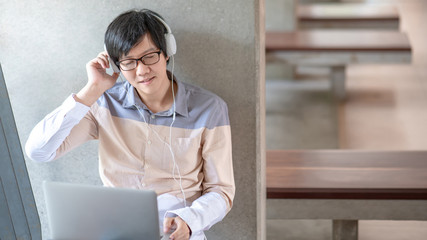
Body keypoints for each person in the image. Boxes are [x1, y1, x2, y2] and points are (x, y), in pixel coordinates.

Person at [25, 9, 235, 240]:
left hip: (180, 233)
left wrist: (190, 219)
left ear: (167, 51)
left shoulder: (210, 108)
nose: (142, 70)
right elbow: (39, 151)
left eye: (149, 56)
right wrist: (91, 90)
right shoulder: (103, 104)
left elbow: (221, 191)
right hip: (116, 232)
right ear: (117, 66)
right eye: (129, 61)